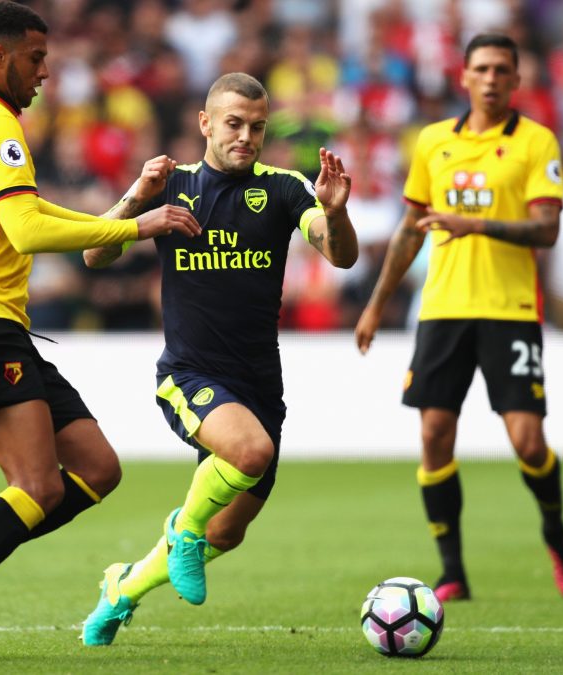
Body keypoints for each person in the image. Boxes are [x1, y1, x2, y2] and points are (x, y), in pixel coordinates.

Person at [0, 1, 201, 664]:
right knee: (37, 483)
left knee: (96, 468)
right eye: (34, 57)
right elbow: (28, 230)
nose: (44, 71)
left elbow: (32, 213)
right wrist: (136, 227)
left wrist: (127, 205)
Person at [78, 72, 358, 645]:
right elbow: (93, 254)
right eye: (234, 124)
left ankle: (122, 588)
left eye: (257, 127)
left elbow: (340, 256)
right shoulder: (170, 183)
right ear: (205, 123)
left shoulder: (282, 188)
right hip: (189, 373)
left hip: (259, 386)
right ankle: (182, 535)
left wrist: (337, 213)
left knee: (225, 535)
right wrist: (136, 193)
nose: (246, 136)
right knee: (247, 452)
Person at [354, 34, 563, 602]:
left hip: (510, 309)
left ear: (516, 80)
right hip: (443, 309)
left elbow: (548, 229)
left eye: (501, 69)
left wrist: (474, 224)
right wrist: (377, 305)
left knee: (528, 441)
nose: (490, 78)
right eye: (480, 68)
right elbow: (413, 228)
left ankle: (555, 530)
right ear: (464, 77)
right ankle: (452, 569)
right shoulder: (434, 143)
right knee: (434, 435)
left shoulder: (536, 142)